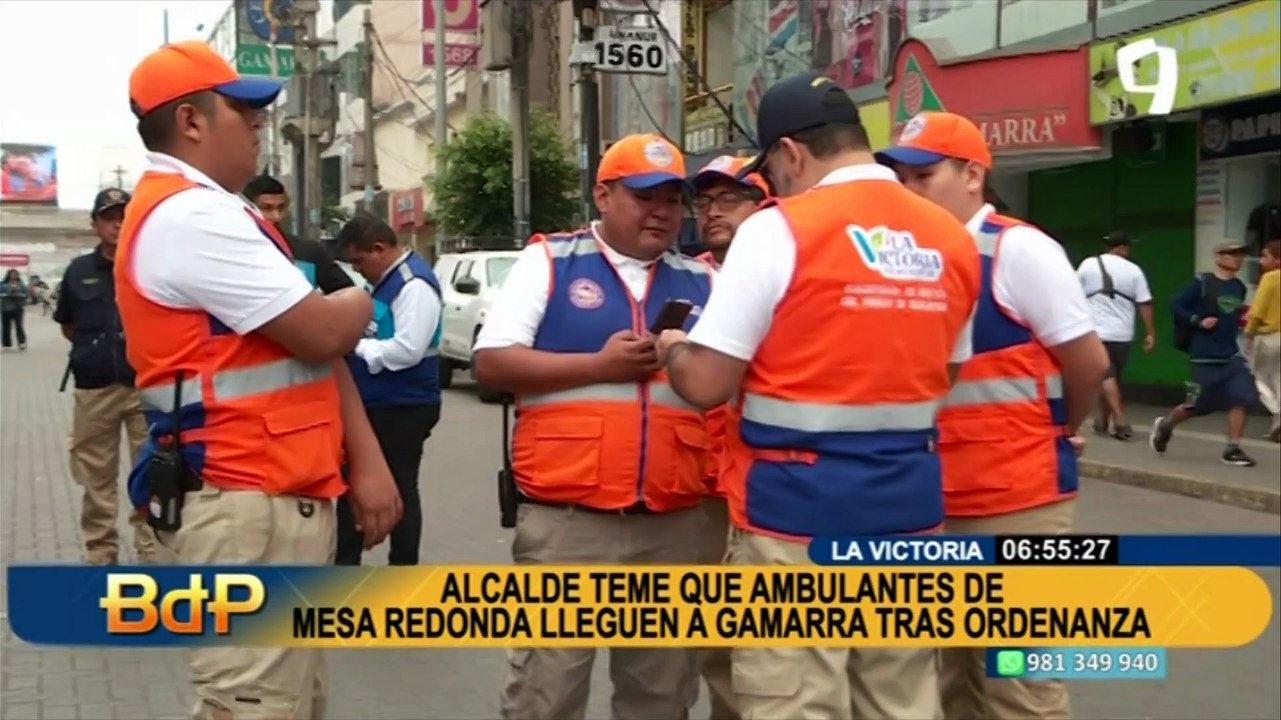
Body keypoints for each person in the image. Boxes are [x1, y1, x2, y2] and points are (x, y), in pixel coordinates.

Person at [657, 74, 982, 720]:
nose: (773, 185)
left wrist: (671, 348)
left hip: (794, 520)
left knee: (796, 701)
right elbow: (943, 375)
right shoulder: (950, 238)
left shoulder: (779, 231)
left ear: (791, 154)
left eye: (770, 171)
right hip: (908, 515)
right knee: (900, 701)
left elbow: (704, 384)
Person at [116, 40, 401, 719]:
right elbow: (325, 333)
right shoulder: (191, 215)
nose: (258, 123)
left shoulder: (219, 210)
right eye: (243, 109)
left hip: (273, 496)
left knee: (287, 702)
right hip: (243, 502)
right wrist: (363, 294)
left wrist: (365, 460)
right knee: (254, 704)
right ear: (190, 121)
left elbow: (309, 352)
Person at [877, 110, 1108, 720]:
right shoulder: (907, 258)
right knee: (953, 678)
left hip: (1019, 505)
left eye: (923, 176)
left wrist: (1061, 427)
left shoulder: (1019, 249)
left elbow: (1087, 364)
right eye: (900, 178)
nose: (908, 191)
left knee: (1021, 683)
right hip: (931, 505)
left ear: (973, 174)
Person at [474, 133, 711, 720]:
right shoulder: (551, 262)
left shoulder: (704, 280)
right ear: (604, 195)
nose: (662, 211)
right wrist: (599, 365)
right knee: (545, 692)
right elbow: (492, 362)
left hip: (675, 524)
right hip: (568, 522)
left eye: (673, 199)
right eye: (644, 195)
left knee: (661, 696)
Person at [688, 154, 770, 720]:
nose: (713, 212)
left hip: (767, 490)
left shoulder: (787, 272)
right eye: (705, 203)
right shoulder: (686, 276)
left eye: (730, 200)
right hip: (697, 490)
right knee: (715, 648)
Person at [52, 188, 158, 565]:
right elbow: (67, 324)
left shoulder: (152, 265)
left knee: (152, 475)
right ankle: (100, 555)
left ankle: (152, 553)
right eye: (109, 216)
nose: (117, 223)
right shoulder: (79, 271)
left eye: (123, 215)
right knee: (95, 480)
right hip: (96, 390)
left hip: (147, 388)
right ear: (95, 223)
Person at [334, 214, 443, 566]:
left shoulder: (413, 285)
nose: (358, 270)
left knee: (399, 489)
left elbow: (407, 349)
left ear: (379, 249)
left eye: (359, 261)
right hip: (382, 401)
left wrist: (356, 348)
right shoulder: (388, 280)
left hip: (404, 403)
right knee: (356, 485)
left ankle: (401, 567)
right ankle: (347, 561)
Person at [1151, 241, 1259, 467]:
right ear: (1218, 257)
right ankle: (1166, 424)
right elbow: (1176, 304)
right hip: (1203, 356)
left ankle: (1233, 448)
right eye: (1232, 253)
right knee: (1196, 405)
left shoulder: (1239, 287)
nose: (1237, 258)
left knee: (1243, 395)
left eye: (1240, 254)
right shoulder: (1202, 283)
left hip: (1230, 355)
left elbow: (1233, 314)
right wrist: (1198, 321)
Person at [1076, 230, 1156, 440]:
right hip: (1122, 334)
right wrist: (1150, 333)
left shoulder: (1088, 264)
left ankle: (1110, 420)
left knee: (1107, 377)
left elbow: (1073, 293)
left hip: (1095, 332)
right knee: (1110, 376)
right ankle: (1114, 421)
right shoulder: (1134, 270)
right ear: (1122, 248)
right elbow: (1145, 303)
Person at [242, 174, 354, 295]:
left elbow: (347, 292)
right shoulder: (232, 251)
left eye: (281, 208)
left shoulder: (308, 251)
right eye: (267, 208)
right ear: (248, 209)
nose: (276, 216)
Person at [1244, 239, 1280, 442]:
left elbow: (1257, 311)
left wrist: (1249, 333)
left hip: (1268, 337)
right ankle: (1278, 425)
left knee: (1258, 378)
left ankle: (1277, 411)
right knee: (1279, 380)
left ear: (1277, 259)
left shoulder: (1270, 278)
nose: (1261, 260)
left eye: (1266, 255)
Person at [1, 268, 28, 350]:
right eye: (12, 274)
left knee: (19, 325)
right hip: (5, 308)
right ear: (9, 275)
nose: (14, 275)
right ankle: (6, 344)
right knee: (6, 326)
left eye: (16, 274)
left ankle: (21, 342)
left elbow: (26, 295)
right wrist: (6, 295)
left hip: (18, 307)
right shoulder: (3, 284)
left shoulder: (21, 284)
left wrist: (18, 295)